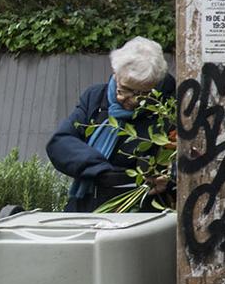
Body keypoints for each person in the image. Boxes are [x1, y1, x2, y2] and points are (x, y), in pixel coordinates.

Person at [47, 37, 177, 212]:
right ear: (116, 74)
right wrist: (102, 171)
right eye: (125, 89)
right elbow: (60, 142)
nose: (131, 100)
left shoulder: (169, 111)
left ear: (156, 85)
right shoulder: (95, 97)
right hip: (86, 206)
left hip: (140, 214)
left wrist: (169, 179)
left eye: (142, 93)